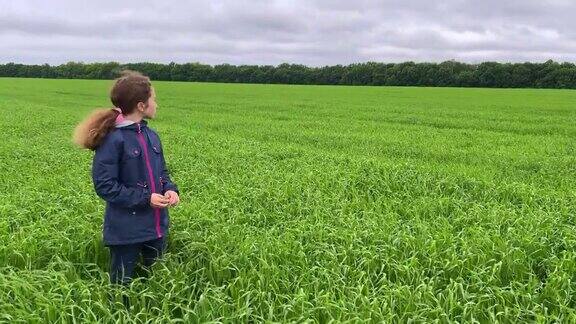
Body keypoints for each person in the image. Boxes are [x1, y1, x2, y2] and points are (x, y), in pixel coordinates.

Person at [73, 70, 180, 285]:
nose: (156, 104)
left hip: (156, 228)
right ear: (141, 106)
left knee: (157, 284)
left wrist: (170, 189)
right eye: (154, 99)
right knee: (121, 287)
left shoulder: (152, 136)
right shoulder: (113, 140)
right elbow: (105, 185)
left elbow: (162, 173)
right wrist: (146, 198)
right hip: (126, 232)